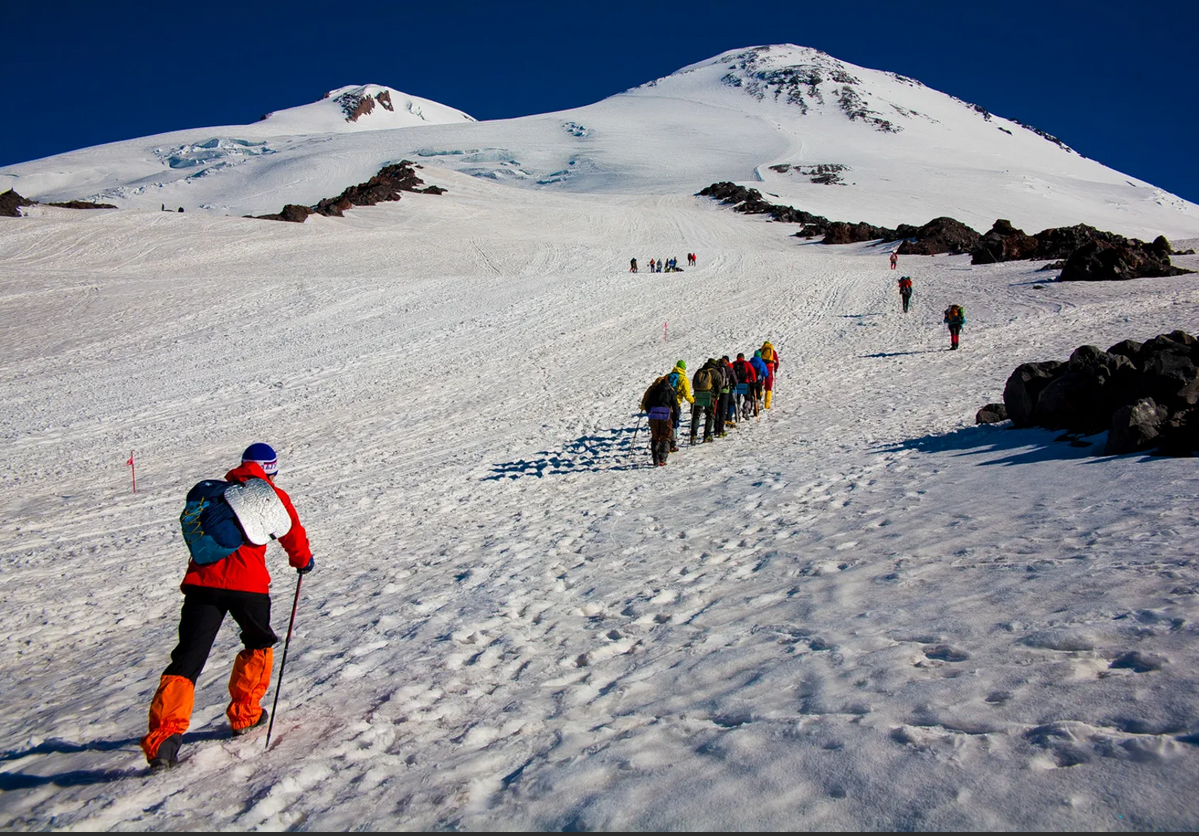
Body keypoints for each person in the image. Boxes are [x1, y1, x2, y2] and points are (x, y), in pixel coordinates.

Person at [140, 443, 314, 770]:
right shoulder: (270, 495)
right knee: (258, 642)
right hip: (248, 587)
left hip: (201, 585)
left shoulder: (217, 494)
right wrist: (302, 561)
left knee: (188, 658)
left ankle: (163, 738)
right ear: (270, 469)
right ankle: (245, 715)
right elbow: (292, 533)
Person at [640, 374, 679, 466]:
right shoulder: (670, 391)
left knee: (655, 437)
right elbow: (675, 405)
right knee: (665, 437)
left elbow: (647, 404)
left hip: (654, 417)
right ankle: (662, 459)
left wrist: (650, 413)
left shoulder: (653, 391)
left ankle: (655, 460)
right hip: (666, 417)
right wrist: (675, 418)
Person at [690, 359, 722, 443]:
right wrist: (717, 395)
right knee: (710, 415)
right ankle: (707, 436)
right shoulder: (715, 372)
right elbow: (719, 386)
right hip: (709, 396)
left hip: (698, 395)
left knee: (696, 415)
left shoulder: (700, 371)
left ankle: (693, 435)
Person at [667, 360, 693, 450]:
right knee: (674, 423)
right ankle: (673, 443)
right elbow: (687, 394)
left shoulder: (668, 376)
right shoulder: (683, 378)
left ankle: (665, 442)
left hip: (666, 403)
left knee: (666, 423)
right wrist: (692, 400)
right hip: (676, 404)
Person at [732, 352, 757, 419]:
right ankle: (746, 410)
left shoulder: (734, 364)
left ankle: (737, 411)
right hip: (745, 383)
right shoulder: (746, 363)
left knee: (737, 399)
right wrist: (754, 380)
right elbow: (752, 372)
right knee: (748, 398)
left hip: (737, 383)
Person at [759, 341, 781, 409]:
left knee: (760, 384)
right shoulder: (773, 351)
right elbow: (777, 362)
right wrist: (775, 369)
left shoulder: (760, 351)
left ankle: (759, 401)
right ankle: (767, 405)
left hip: (762, 369)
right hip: (770, 369)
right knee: (768, 387)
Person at [719, 356, 737, 434]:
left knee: (719, 409)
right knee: (731, 403)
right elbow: (735, 380)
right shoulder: (729, 368)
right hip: (726, 390)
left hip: (717, 391)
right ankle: (728, 418)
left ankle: (717, 428)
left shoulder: (717, 368)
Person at [749, 351, 769, 415]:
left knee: (752, 394)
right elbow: (766, 373)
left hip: (751, 382)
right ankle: (757, 406)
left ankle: (750, 404)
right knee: (758, 395)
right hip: (759, 382)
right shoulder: (762, 363)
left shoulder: (750, 362)